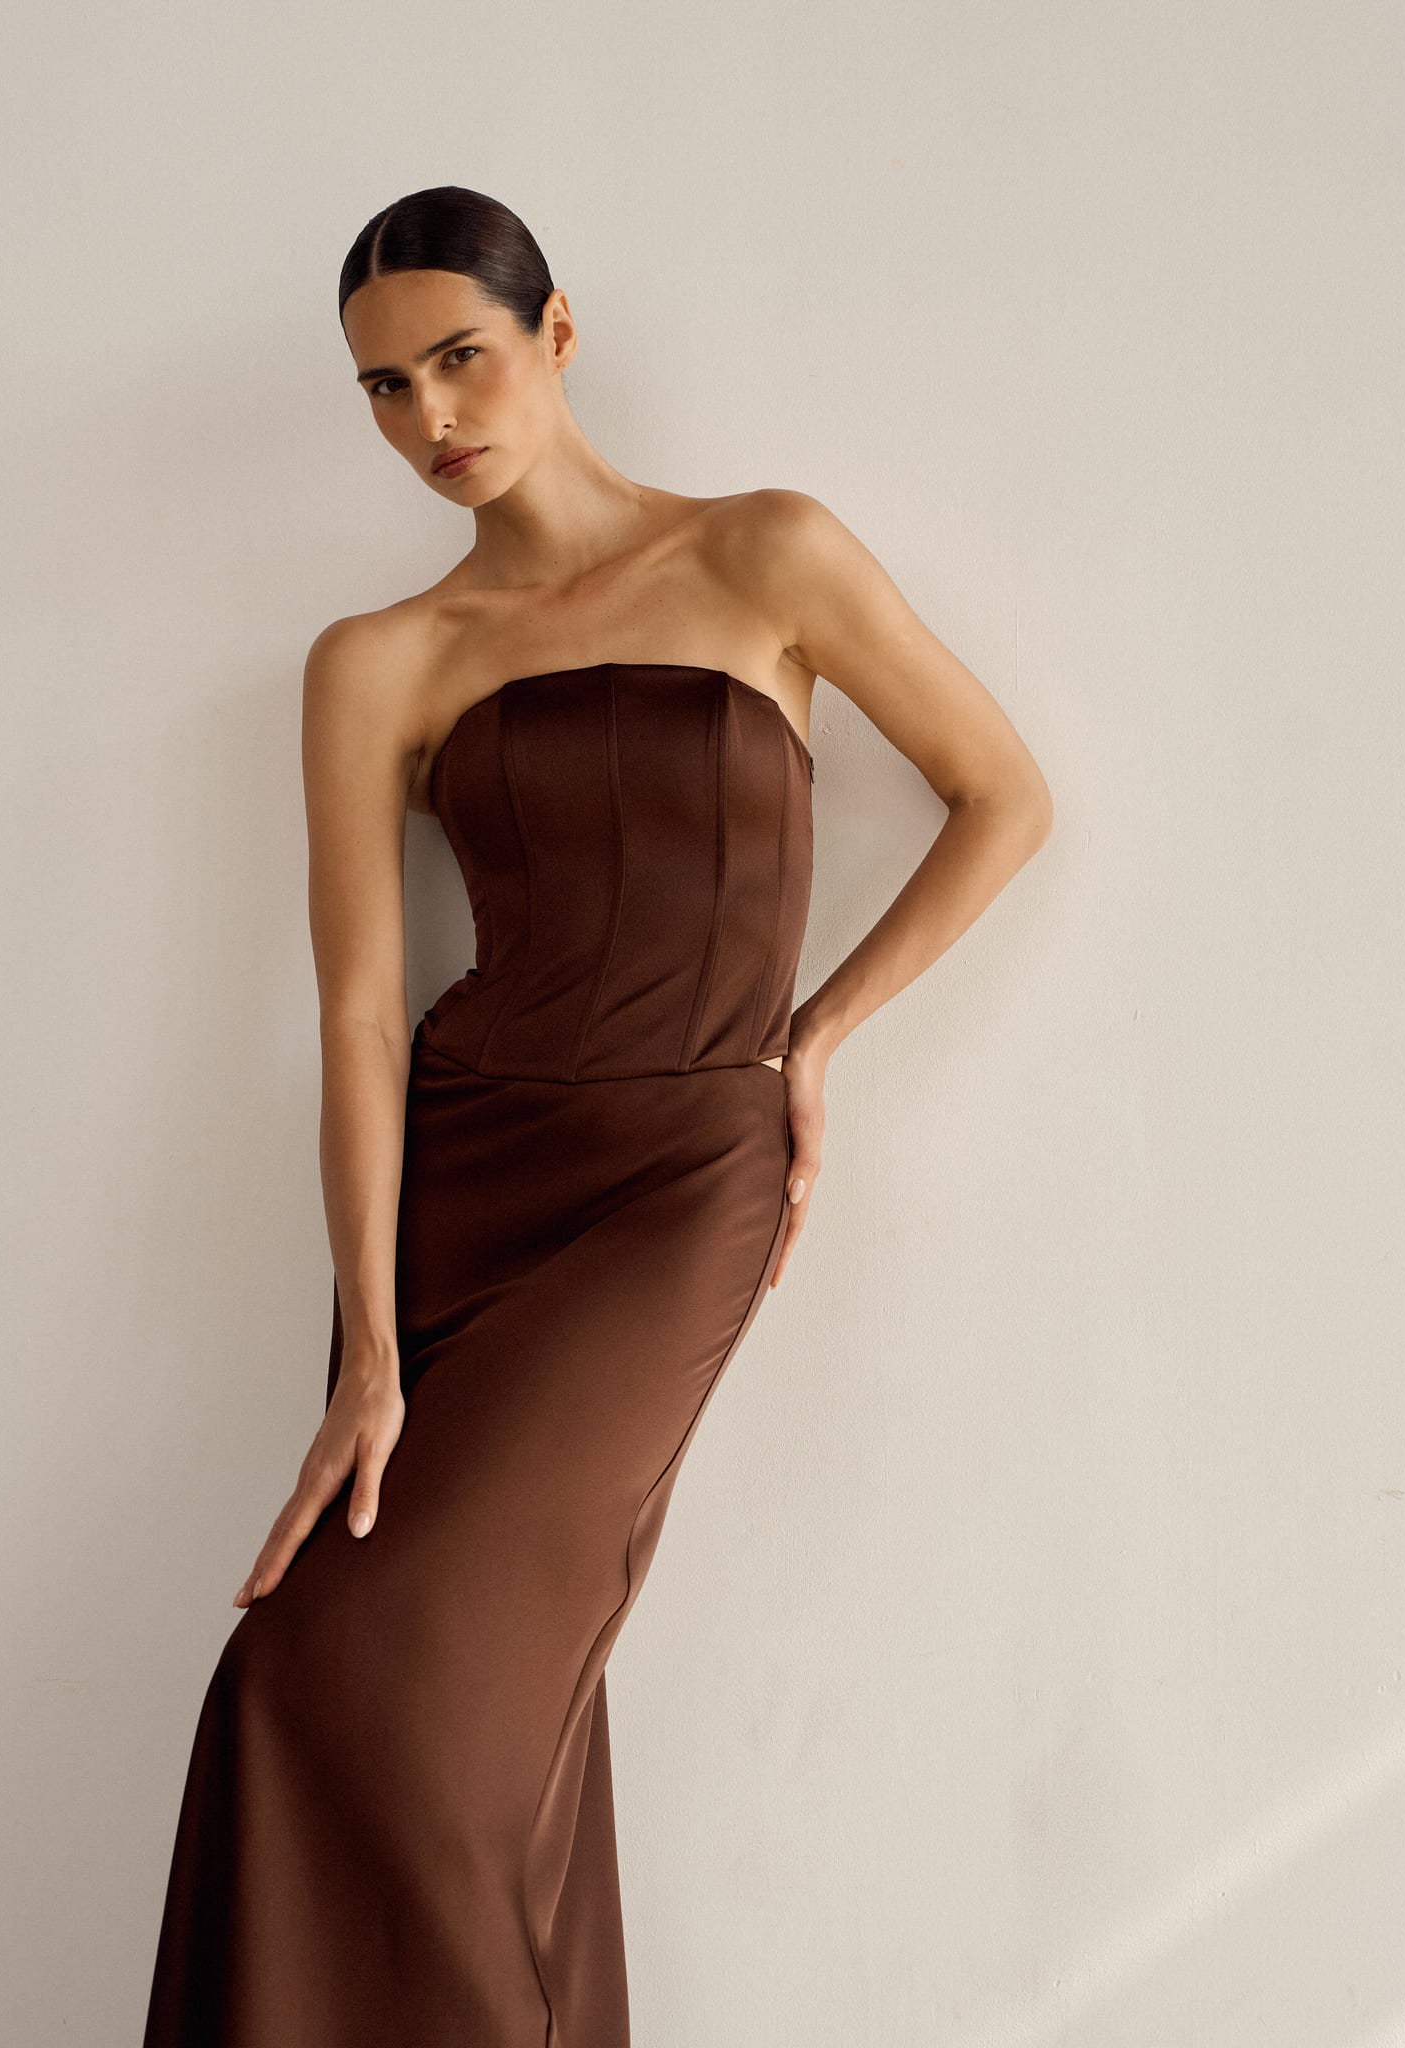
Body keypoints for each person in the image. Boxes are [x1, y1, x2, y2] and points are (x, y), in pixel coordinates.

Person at [142, 183, 1051, 2047]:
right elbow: (359, 1007)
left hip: (676, 1186)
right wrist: (370, 1360)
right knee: (357, 1696)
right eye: (382, 392)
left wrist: (812, 1041)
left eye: (456, 362)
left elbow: (999, 796)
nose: (428, 423)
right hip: (458, 1186)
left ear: (557, 337)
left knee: (377, 1691)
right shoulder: (374, 660)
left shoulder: (763, 554)